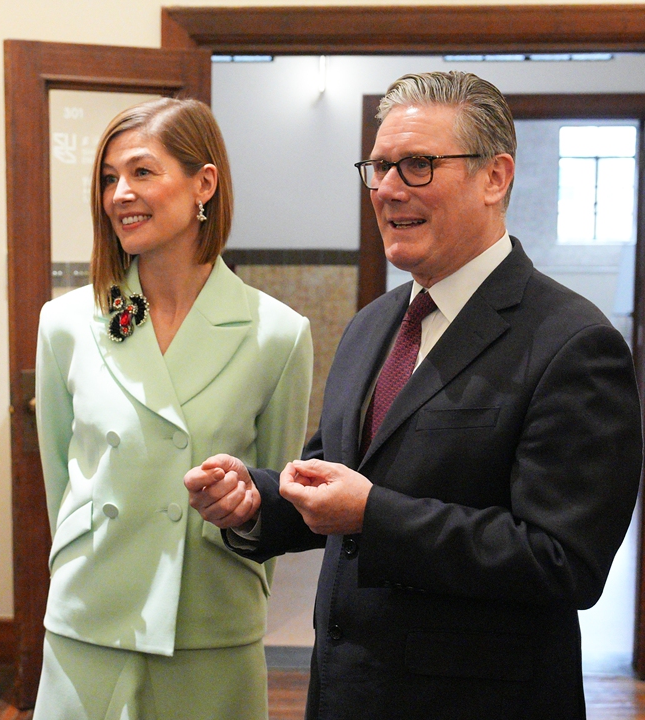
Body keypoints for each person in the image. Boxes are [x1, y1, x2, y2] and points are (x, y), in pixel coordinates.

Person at [185, 71, 643, 718]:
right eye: (379, 166)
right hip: (348, 694)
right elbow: (335, 479)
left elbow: (563, 561)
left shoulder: (573, 343)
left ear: (495, 176)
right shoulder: (373, 324)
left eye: (419, 165)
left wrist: (375, 514)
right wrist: (254, 500)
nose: (390, 188)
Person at [34, 98, 313, 719]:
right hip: (89, 620)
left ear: (203, 184)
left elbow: (273, 495)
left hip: (209, 622)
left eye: (141, 172)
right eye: (108, 178)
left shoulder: (277, 333)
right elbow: (61, 476)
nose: (119, 194)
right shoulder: (68, 323)